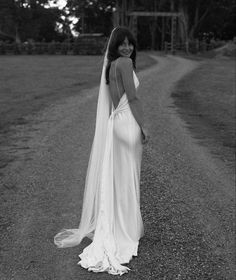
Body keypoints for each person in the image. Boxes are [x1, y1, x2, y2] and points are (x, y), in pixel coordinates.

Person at [54, 26, 149, 276]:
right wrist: (143, 126)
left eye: (130, 43)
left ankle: (118, 225)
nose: (127, 47)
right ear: (115, 46)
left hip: (115, 122)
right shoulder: (125, 64)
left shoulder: (112, 65)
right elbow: (133, 98)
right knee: (127, 177)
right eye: (122, 44)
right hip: (127, 121)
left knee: (118, 178)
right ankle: (124, 229)